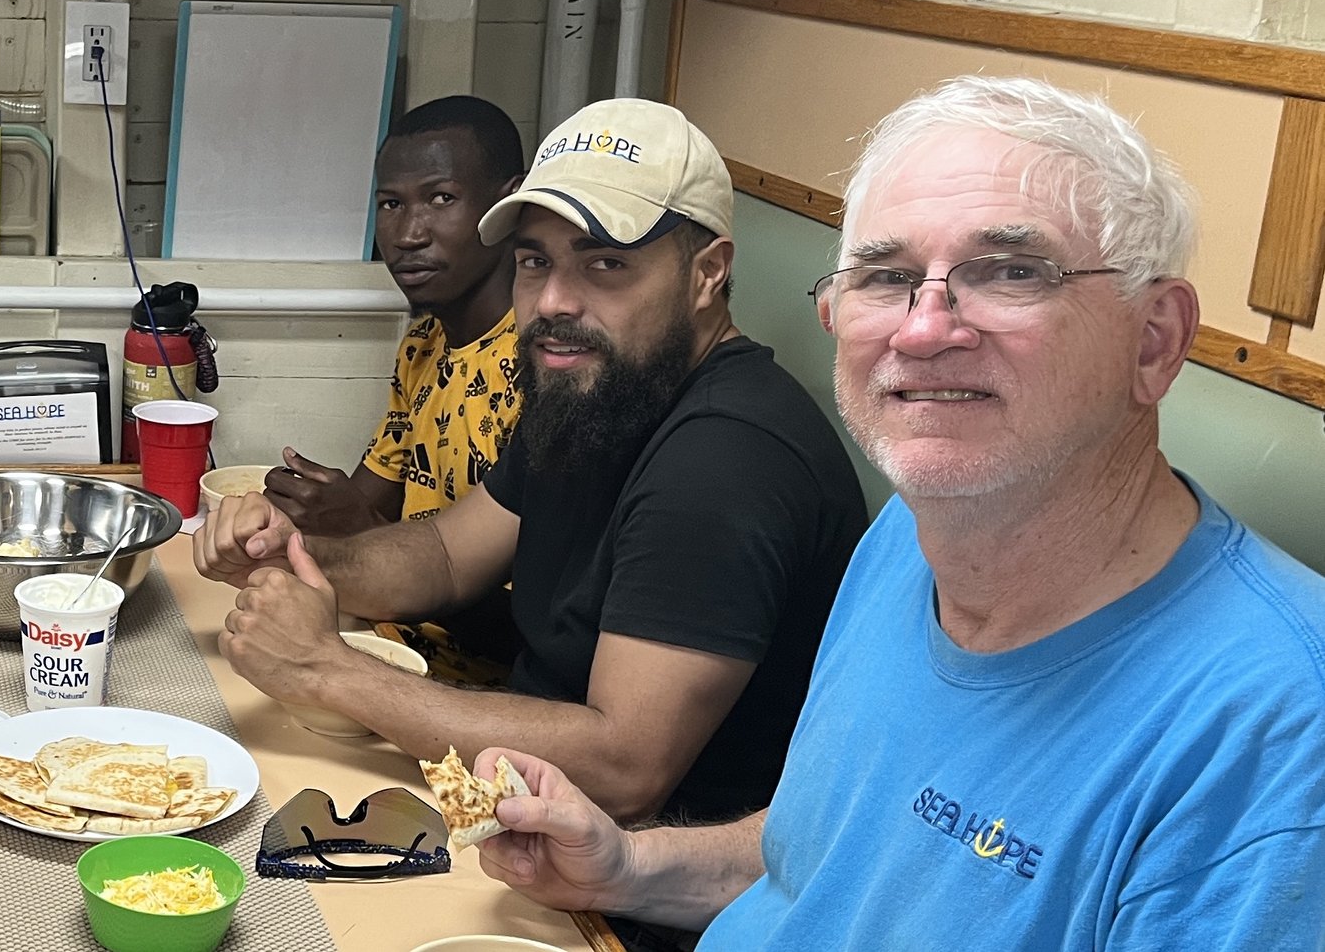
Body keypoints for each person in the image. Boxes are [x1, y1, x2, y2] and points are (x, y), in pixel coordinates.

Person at [476, 76, 1325, 948]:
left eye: (1009, 272)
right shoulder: (907, 543)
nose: (923, 330)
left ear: (1154, 340)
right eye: (886, 276)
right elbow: (813, 856)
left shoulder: (1278, 737)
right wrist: (625, 866)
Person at [198, 99, 865, 825]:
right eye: (534, 261)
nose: (552, 300)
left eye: (605, 263)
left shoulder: (727, 462)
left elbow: (624, 766)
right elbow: (446, 555)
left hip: (621, 886)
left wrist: (326, 669)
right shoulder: (604, 388)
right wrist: (291, 554)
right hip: (520, 803)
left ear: (708, 273)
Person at [264, 95, 528, 536]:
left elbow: (515, 588)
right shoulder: (422, 347)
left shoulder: (544, 365)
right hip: (400, 599)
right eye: (391, 204)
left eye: (441, 198)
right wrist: (298, 513)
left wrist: (356, 526)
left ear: (509, 206)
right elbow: (368, 500)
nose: (408, 235)